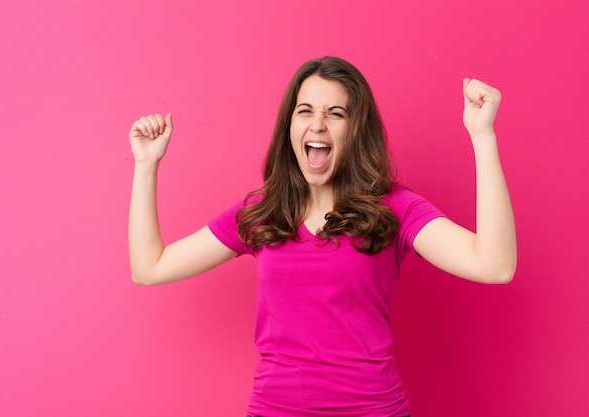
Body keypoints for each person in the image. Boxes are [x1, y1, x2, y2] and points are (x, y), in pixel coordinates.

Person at [128, 56, 516, 417]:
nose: (317, 124)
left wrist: (482, 136)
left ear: (356, 129)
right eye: (305, 111)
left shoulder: (394, 208)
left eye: (335, 113)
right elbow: (150, 267)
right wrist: (146, 166)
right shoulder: (263, 213)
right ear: (290, 127)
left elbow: (494, 265)